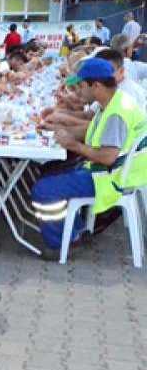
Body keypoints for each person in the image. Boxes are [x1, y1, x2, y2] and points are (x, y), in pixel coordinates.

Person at [33, 58, 147, 256]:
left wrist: (73, 144)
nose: (78, 90)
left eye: (81, 85)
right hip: (106, 171)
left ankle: (62, 244)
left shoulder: (116, 113)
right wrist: (57, 130)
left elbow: (108, 157)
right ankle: (74, 231)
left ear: (96, 85)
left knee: (44, 189)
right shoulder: (113, 102)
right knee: (50, 170)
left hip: (110, 178)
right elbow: (92, 133)